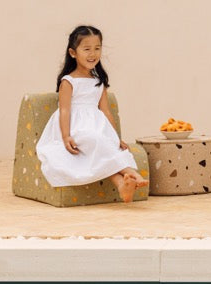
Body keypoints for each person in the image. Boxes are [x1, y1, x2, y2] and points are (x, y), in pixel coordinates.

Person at [36, 25, 146, 204]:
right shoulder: (68, 81)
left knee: (104, 143)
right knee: (94, 139)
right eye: (87, 49)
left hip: (96, 126)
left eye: (97, 48)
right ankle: (131, 172)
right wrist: (65, 136)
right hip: (76, 127)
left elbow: (105, 111)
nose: (92, 54)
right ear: (73, 53)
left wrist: (116, 137)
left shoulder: (98, 82)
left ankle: (121, 185)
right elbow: (65, 110)